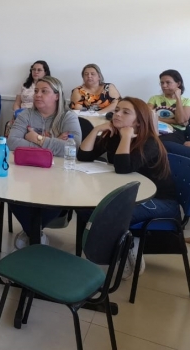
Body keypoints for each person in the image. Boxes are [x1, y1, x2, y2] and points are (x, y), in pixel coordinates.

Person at [78, 97, 178, 279]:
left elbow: (123, 168)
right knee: (86, 209)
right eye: (117, 110)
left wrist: (125, 136)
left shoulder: (150, 142)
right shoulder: (113, 135)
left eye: (125, 112)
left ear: (139, 121)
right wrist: (96, 131)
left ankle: (127, 249)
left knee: (111, 214)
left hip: (160, 201)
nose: (117, 114)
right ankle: (117, 248)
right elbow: (83, 156)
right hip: (131, 195)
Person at [7, 76, 82, 248]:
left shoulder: (68, 117)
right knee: (11, 194)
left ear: (56, 95)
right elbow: (12, 142)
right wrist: (54, 142)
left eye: (44, 91)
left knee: (56, 198)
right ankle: (33, 232)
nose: (38, 95)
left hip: (57, 174)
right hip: (25, 170)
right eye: (36, 91)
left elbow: (73, 148)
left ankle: (32, 231)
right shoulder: (26, 114)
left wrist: (36, 138)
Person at [148, 69, 190, 145]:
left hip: (175, 131)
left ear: (178, 84)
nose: (164, 85)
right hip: (155, 129)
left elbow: (181, 121)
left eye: (168, 82)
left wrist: (178, 98)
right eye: (162, 83)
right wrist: (174, 121)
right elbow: (147, 116)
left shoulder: (186, 101)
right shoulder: (154, 98)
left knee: (159, 143)